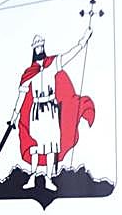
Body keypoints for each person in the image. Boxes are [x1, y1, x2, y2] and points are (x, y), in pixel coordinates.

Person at [9, 28, 92, 190]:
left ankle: (48, 178)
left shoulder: (52, 64)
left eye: (41, 45)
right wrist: (13, 117)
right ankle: (32, 177)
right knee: (35, 145)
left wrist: (83, 40)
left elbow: (70, 54)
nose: (39, 48)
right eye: (37, 46)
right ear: (34, 49)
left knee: (51, 146)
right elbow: (21, 96)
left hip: (51, 110)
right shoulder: (29, 73)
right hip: (36, 111)